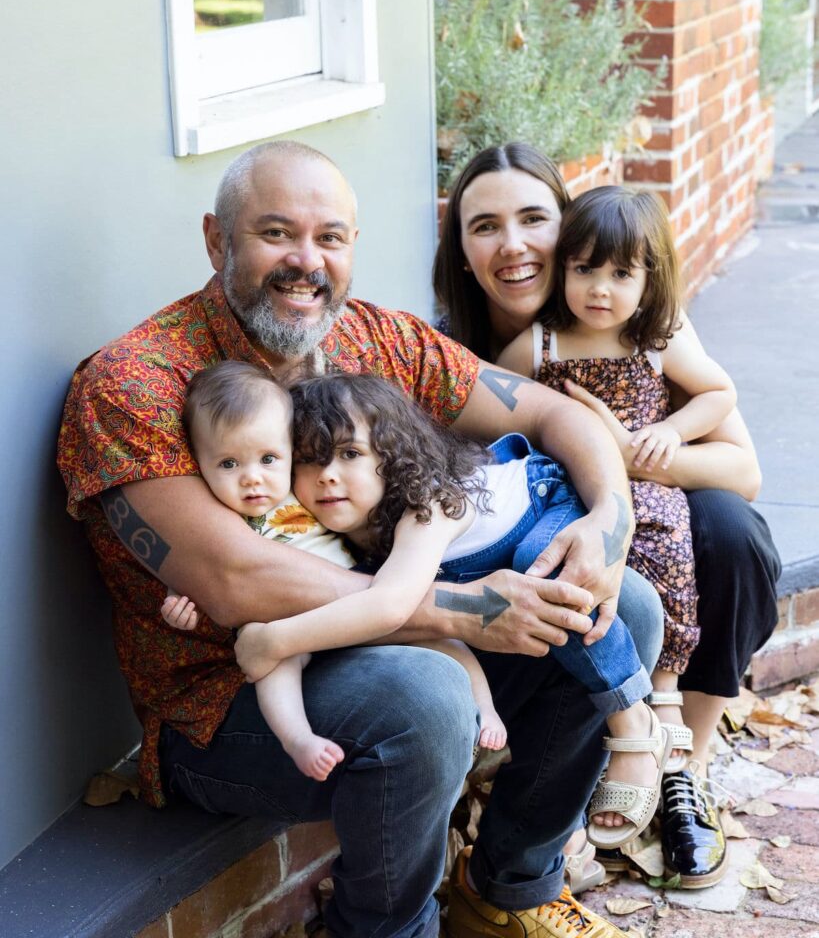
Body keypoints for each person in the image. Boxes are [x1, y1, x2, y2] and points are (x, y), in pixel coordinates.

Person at [58, 139, 662, 937]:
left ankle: (507, 890)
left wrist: (605, 529)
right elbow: (238, 580)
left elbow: (557, 413)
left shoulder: (377, 342)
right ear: (217, 240)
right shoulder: (135, 384)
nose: (305, 261)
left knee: (624, 607)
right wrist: (457, 610)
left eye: (330, 238)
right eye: (276, 234)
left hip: (384, 639)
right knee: (424, 699)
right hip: (233, 698)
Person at [432, 142, 781, 887]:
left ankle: (686, 762)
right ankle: (576, 762)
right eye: (484, 225)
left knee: (729, 530)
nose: (515, 244)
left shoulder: (641, 322)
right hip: (532, 558)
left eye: (534, 219)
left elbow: (740, 470)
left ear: (570, 228)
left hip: (650, 507)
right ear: (459, 249)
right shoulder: (458, 355)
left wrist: (619, 452)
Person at [497, 184, 738, 850]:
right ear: (562, 269)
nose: (599, 289)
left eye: (620, 273)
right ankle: (612, 725)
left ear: (647, 278)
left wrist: (675, 432)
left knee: (665, 550)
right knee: (583, 577)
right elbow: (485, 397)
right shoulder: (541, 345)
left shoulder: (653, 339)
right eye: (584, 270)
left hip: (643, 486)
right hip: (567, 494)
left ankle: (662, 698)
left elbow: (718, 392)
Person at [162, 361, 506, 781]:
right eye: (229, 465)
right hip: (285, 615)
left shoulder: (299, 488)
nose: (252, 479)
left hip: (349, 605)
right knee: (277, 666)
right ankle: (298, 738)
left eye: (268, 459)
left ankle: (485, 711)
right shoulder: (221, 514)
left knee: (445, 639)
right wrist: (176, 601)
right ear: (202, 466)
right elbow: (199, 564)